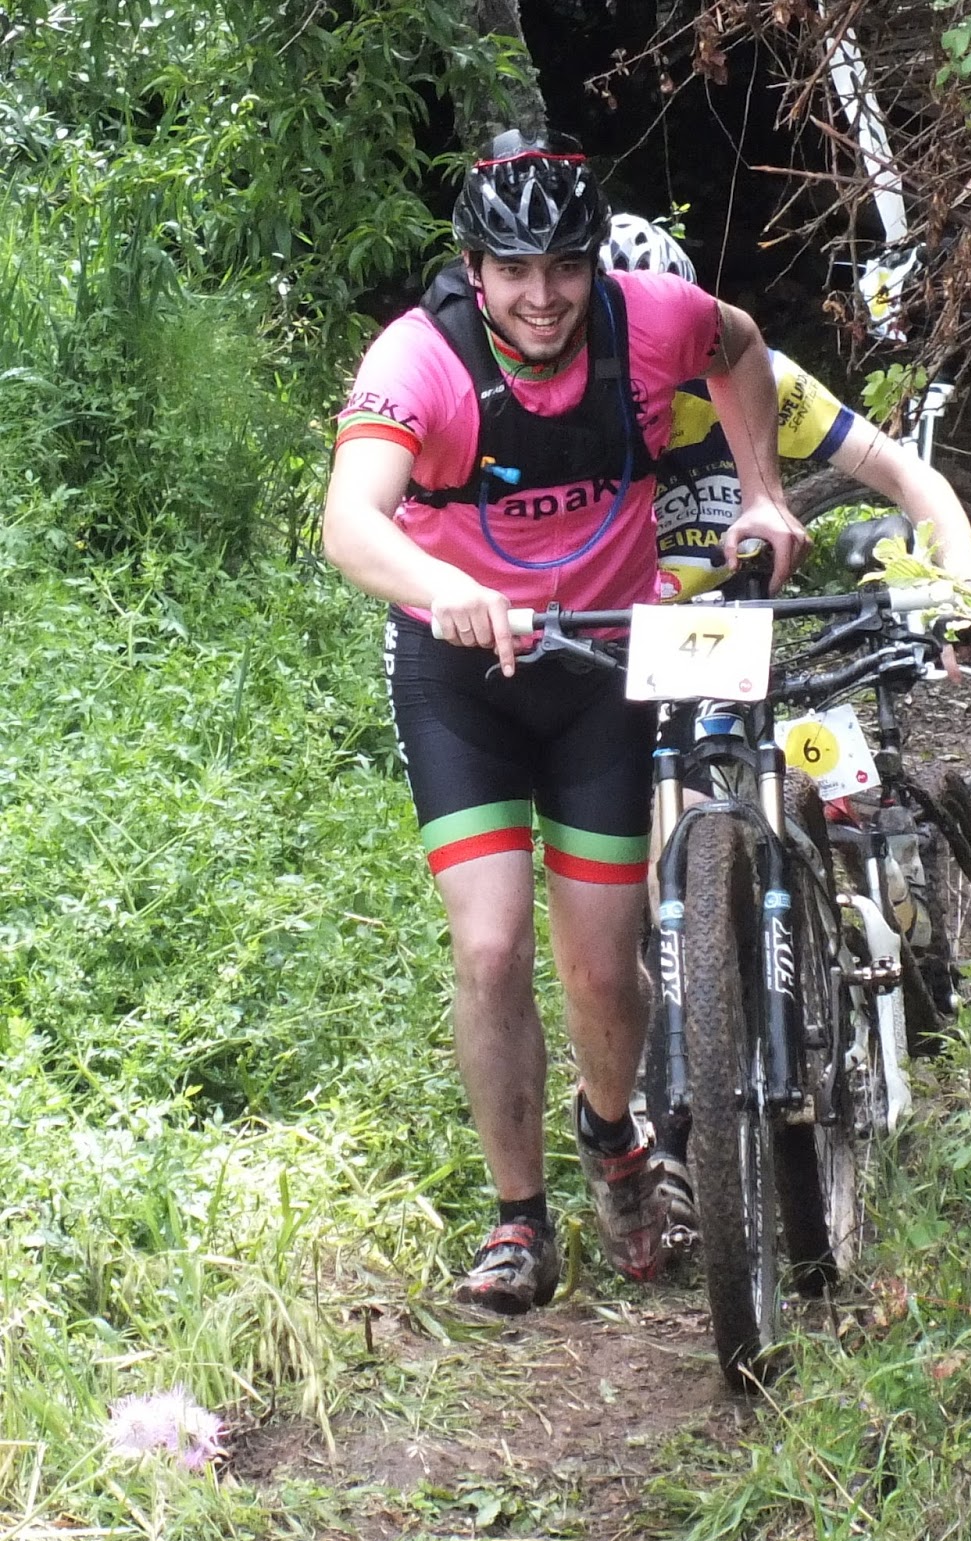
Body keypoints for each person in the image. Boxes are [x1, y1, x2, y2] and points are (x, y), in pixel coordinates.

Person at [321, 132, 809, 1315]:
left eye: (563, 269)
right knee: (490, 946)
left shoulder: (650, 320)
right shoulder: (420, 359)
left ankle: (612, 1135)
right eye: (513, 271)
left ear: (594, 263)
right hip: (463, 674)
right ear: (473, 270)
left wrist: (762, 490)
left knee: (600, 962)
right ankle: (518, 1220)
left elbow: (741, 346)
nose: (540, 297)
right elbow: (349, 521)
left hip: (601, 660)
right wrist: (443, 587)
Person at [600, 214, 971, 1242]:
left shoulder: (759, 379)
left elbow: (910, 478)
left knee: (835, 773)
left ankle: (894, 903)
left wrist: (960, 583)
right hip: (642, 649)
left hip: (756, 623)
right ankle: (678, 1105)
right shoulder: (578, 408)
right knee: (643, 868)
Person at [599, 213, 971, 604]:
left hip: (723, 608)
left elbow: (905, 474)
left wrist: (970, 591)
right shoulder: (563, 401)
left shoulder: (749, 377)